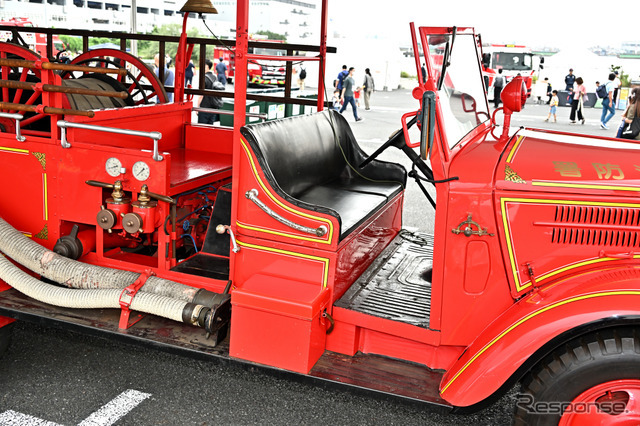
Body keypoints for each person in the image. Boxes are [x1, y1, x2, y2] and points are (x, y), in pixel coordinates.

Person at [198, 59, 225, 125]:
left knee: (201, 128)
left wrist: (198, 107)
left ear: (206, 66)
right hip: (213, 107)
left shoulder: (203, 78)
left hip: (204, 108)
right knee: (210, 128)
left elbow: (201, 95)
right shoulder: (215, 77)